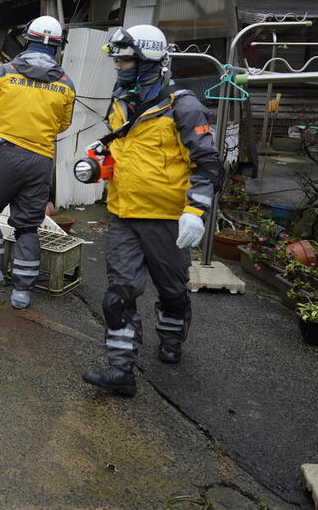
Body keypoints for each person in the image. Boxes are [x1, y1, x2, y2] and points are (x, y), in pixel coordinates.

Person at [81, 24, 222, 397]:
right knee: (119, 293)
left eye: (126, 60)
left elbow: (208, 164)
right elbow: (126, 149)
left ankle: (172, 339)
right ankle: (121, 370)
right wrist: (102, 158)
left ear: (149, 59)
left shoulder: (184, 106)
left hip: (168, 220)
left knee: (172, 290)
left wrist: (196, 211)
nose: (119, 67)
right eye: (117, 60)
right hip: (124, 215)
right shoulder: (121, 100)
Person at [0, 16, 76, 309]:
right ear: (57, 46)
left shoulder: (3, 72)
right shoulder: (66, 83)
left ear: (27, 38)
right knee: (28, 226)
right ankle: (22, 292)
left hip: (4, 155)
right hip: (40, 161)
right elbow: (64, 124)